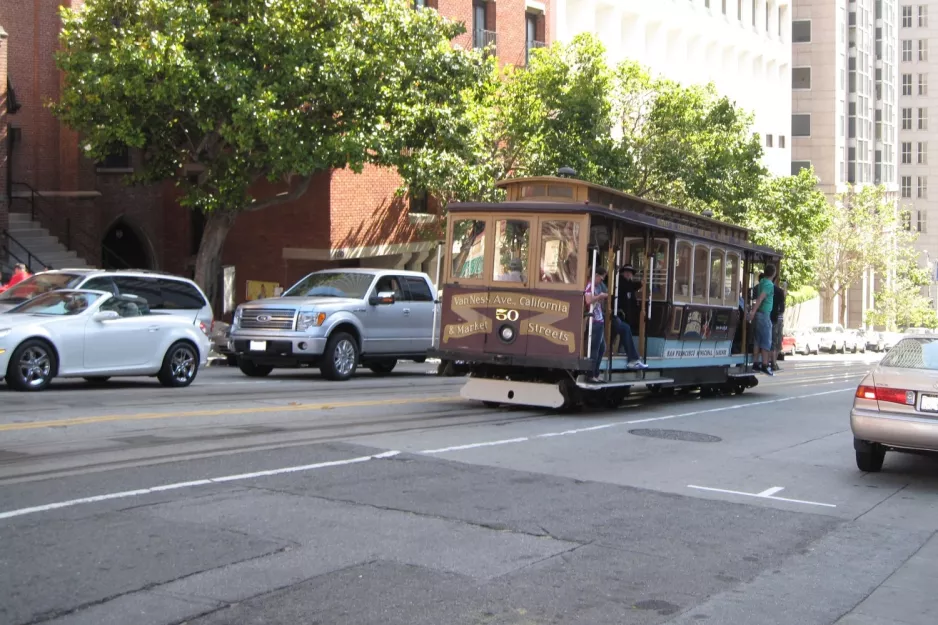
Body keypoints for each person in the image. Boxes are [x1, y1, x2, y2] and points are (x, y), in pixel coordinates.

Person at [612, 265, 649, 369]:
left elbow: (632, 300)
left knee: (626, 328)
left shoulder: (628, 284)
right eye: (626, 272)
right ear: (622, 273)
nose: (628, 274)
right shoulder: (619, 282)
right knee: (624, 328)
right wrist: (640, 284)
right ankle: (633, 359)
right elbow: (628, 287)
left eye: (630, 272)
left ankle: (621, 351)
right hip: (615, 314)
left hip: (624, 315)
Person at [748, 264, 776, 376]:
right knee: (766, 341)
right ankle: (765, 365)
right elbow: (760, 298)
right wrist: (752, 312)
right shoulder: (769, 284)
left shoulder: (762, 282)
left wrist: (754, 312)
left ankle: (755, 363)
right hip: (764, 314)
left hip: (759, 314)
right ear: (774, 273)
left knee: (757, 339)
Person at [769, 277, 786, 371]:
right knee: (776, 342)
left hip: (771, 317)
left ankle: (772, 362)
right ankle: (773, 363)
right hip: (778, 319)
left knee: (772, 341)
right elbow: (782, 308)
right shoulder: (779, 292)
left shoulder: (769, 289)